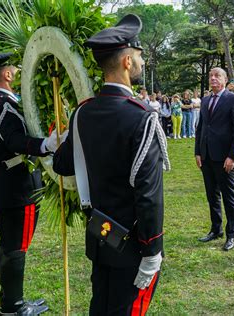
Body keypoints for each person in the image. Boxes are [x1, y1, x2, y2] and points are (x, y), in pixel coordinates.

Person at [52, 14, 169, 314]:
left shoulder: (83, 114)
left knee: (100, 307)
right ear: (127, 62)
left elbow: (62, 165)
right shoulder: (142, 117)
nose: (142, 63)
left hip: (100, 237)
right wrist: (153, 249)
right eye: (140, 57)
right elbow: (148, 195)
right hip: (132, 247)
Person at [0, 53, 57, 315]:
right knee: (15, 247)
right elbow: (15, 140)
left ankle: (10, 301)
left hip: (2, 184)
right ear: (7, 75)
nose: (18, 73)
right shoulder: (5, 106)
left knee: (8, 244)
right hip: (18, 187)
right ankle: (13, 307)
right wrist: (45, 145)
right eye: (15, 70)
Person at [195, 67, 234, 251]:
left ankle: (231, 234)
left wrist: (232, 156)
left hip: (225, 158)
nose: (213, 78)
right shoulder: (206, 99)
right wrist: (197, 152)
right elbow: (201, 127)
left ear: (225, 80)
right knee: (212, 195)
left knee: (228, 196)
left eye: (217, 76)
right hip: (207, 156)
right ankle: (216, 229)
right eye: (211, 76)